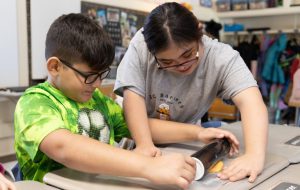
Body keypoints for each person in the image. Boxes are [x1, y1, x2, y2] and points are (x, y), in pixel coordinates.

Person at [14, 13, 238, 189]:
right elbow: (64, 147)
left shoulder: (97, 100)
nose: (97, 84)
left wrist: (196, 133)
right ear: (55, 67)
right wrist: (148, 167)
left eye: (101, 75)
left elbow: (139, 124)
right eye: (89, 76)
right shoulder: (35, 103)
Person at [114, 2, 268, 183]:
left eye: (187, 55)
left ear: (199, 31)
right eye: (167, 62)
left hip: (180, 139)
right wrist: (145, 146)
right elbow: (133, 109)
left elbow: (251, 103)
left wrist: (254, 155)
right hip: (135, 132)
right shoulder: (141, 44)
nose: (181, 66)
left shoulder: (222, 58)